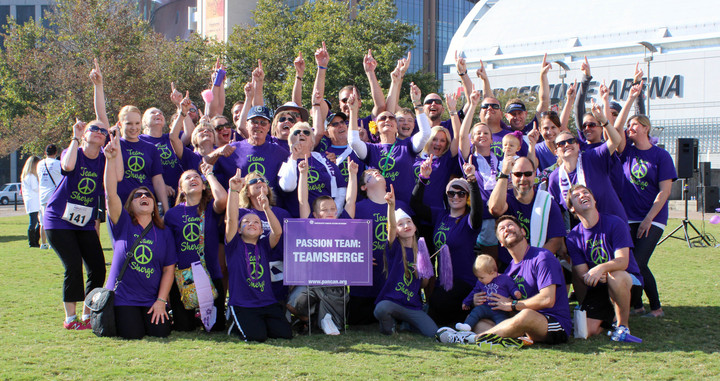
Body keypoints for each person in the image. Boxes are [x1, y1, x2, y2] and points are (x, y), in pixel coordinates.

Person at [437, 215, 571, 347]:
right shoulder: (508, 271)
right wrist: (480, 300)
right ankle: (510, 339)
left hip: (552, 323)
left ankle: (470, 339)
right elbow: (503, 306)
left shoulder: (541, 257)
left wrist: (512, 304)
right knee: (480, 321)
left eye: (510, 225)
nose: (506, 229)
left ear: (523, 231)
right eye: (501, 229)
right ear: (500, 242)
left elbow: (547, 299)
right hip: (520, 323)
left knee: (526, 314)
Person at [104, 132, 177, 340]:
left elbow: (168, 269)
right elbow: (110, 194)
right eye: (138, 195)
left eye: (148, 195)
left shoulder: (163, 232)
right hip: (123, 299)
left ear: (154, 204)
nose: (144, 196)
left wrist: (161, 301)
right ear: (130, 203)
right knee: (132, 335)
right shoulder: (123, 223)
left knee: (161, 332)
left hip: (151, 299)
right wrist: (110, 161)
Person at [286, 155, 359, 335]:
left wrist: (353, 175)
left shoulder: (342, 225)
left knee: (335, 328)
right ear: (316, 214)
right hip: (312, 281)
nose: (330, 212)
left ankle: (322, 320)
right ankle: (309, 319)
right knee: (293, 303)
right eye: (325, 209)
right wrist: (303, 174)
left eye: (333, 209)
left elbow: (350, 201)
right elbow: (302, 201)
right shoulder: (310, 225)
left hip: (334, 285)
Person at [616, 114, 676, 318]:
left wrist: (649, 218)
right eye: (629, 125)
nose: (629, 128)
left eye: (634, 125)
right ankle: (637, 306)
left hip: (653, 217)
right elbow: (614, 129)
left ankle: (656, 308)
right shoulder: (626, 152)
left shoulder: (661, 156)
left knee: (639, 263)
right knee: (630, 263)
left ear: (645, 128)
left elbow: (665, 191)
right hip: (628, 217)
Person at [565, 184, 644, 338]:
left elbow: (622, 261)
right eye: (576, 196)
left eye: (586, 193)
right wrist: (597, 276)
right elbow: (582, 273)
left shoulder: (615, 223)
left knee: (616, 276)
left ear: (594, 200)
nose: (582, 196)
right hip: (598, 286)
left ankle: (623, 327)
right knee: (585, 332)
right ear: (572, 208)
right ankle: (609, 320)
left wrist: (600, 269)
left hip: (627, 282)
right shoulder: (573, 237)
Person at [411, 159, 483, 326]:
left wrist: (471, 180)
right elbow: (415, 204)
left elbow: (478, 210)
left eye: (461, 193)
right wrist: (423, 178)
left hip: (464, 281)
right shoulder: (440, 215)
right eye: (451, 193)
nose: (455, 196)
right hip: (443, 281)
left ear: (467, 197)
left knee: (438, 305)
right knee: (436, 307)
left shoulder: (469, 221)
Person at [225, 169, 292, 342]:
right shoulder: (233, 245)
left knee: (285, 335)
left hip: (267, 302)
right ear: (239, 229)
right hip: (243, 303)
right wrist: (233, 191)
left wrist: (266, 208)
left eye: (256, 222)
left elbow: (277, 233)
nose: (252, 224)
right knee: (256, 337)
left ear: (262, 230)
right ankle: (234, 321)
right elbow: (232, 220)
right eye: (246, 222)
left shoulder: (263, 245)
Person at [91, 59, 169, 209]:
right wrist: (98, 85)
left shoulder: (150, 148)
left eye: (137, 123)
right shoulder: (114, 143)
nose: (134, 128)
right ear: (120, 125)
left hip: (146, 204)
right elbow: (101, 116)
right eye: (129, 124)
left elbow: (158, 180)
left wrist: (166, 209)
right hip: (120, 204)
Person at [547, 97, 630, 227]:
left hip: (613, 224)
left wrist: (603, 120)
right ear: (556, 151)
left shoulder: (592, 157)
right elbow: (557, 211)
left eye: (571, 141)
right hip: (586, 232)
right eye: (561, 143)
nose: (567, 144)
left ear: (578, 145)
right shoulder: (554, 178)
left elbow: (615, 140)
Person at [164, 165, 228, 332]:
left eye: (196, 177)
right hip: (183, 278)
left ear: (204, 185)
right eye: (187, 178)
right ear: (181, 189)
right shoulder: (172, 215)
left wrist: (209, 174)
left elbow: (223, 199)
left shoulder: (211, 209)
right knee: (183, 328)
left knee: (216, 328)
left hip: (210, 274)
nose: (192, 179)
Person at [348, 85, 431, 205]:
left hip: (405, 208)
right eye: (382, 118)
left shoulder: (407, 145)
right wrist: (353, 111)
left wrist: (417, 103)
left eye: (391, 118)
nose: (387, 120)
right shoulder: (371, 149)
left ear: (396, 126)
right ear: (376, 127)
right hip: (379, 207)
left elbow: (426, 133)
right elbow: (354, 141)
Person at [373, 190, 438, 337]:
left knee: (432, 332)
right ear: (396, 231)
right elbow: (391, 228)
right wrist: (391, 206)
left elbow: (424, 285)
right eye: (401, 224)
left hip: (412, 306)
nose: (406, 225)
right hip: (392, 301)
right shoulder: (394, 247)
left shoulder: (422, 252)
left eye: (409, 222)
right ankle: (389, 328)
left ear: (415, 227)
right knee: (381, 309)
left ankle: (407, 324)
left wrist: (420, 274)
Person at [487, 156, 566, 265]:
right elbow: (495, 209)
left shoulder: (547, 202)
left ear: (534, 174)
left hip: (538, 264)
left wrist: (532, 263)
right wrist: (504, 173)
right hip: (509, 266)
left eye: (528, 174)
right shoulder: (505, 199)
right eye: (518, 174)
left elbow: (555, 240)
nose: (523, 179)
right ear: (511, 176)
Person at [236, 171, 292, 305]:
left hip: (278, 272)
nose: (259, 182)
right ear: (247, 192)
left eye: (263, 181)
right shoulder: (242, 214)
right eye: (253, 181)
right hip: (251, 271)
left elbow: (290, 245)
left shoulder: (282, 213)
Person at [277, 122, 347, 218]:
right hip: (299, 221)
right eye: (297, 132)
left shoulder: (324, 160)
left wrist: (334, 214)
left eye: (306, 132)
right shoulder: (286, 163)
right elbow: (287, 187)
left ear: (312, 142)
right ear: (290, 141)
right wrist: (294, 157)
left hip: (326, 220)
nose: (301, 134)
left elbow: (341, 188)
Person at [214, 106, 290, 191]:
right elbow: (203, 165)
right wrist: (217, 153)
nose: (258, 126)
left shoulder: (280, 153)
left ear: (268, 127)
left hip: (270, 203)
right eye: (254, 122)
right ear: (246, 125)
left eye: (263, 123)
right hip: (241, 203)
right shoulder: (233, 149)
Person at [455, 254, 521, 332]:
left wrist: (515, 292)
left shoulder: (505, 279)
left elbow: (512, 287)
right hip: (485, 307)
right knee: (476, 312)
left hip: (500, 309)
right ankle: (467, 326)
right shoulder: (480, 282)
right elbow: (474, 291)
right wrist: (467, 302)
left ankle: (504, 333)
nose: (479, 280)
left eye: (482, 277)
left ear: (492, 273)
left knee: (502, 322)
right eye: (478, 277)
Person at [37, 144, 62, 249]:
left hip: (42, 194)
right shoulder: (58, 163)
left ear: (45, 152)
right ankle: (54, 243)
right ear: (56, 153)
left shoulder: (39, 164)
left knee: (43, 221)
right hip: (54, 194)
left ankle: (43, 243)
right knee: (55, 220)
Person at [21, 155, 41, 248]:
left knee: (35, 221)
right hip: (33, 201)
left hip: (32, 201)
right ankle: (32, 242)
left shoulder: (26, 175)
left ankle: (34, 241)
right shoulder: (31, 176)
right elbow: (36, 188)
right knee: (34, 222)